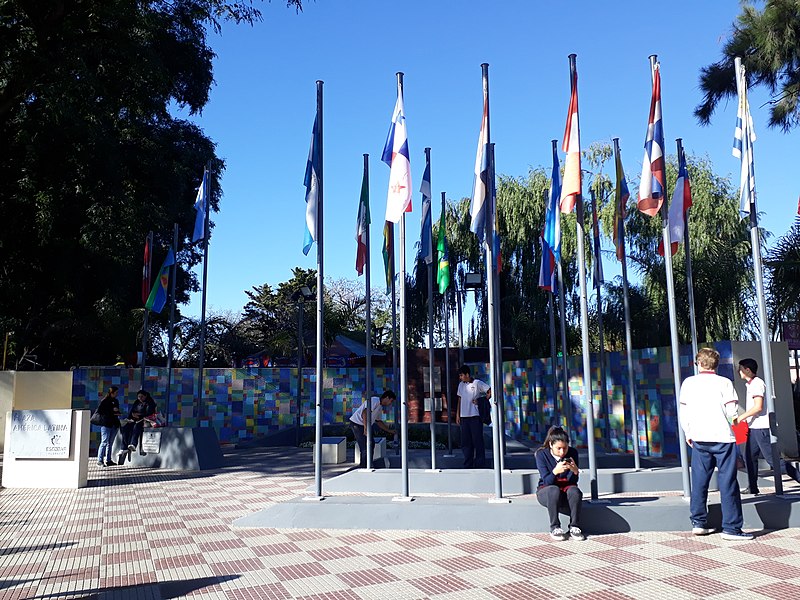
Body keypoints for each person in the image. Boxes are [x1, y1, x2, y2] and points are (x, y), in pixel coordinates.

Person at [679, 347, 753, 540]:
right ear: (716, 364)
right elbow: (732, 413)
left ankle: (698, 522)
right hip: (722, 437)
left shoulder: (688, 383)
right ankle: (731, 528)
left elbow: (684, 412)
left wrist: (689, 432)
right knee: (728, 482)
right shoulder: (724, 383)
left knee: (699, 481)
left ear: (698, 363)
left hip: (699, 437)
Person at [734, 358, 800, 494]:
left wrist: (742, 417)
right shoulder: (751, 385)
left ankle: (798, 477)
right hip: (753, 427)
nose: (738, 372)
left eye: (740, 369)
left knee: (773, 460)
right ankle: (752, 486)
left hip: (761, 428)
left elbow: (758, 407)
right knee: (749, 457)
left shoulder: (757, 384)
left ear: (747, 370)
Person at [534, 426, 585, 541]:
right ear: (551, 445)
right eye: (559, 448)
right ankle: (555, 527)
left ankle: (575, 526)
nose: (562, 452)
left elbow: (573, 482)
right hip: (547, 491)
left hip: (566, 490)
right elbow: (547, 481)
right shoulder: (541, 455)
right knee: (553, 489)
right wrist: (555, 472)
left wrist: (575, 471)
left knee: (575, 491)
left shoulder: (572, 453)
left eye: (565, 448)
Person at [349, 390, 396, 469]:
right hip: (357, 423)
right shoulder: (375, 400)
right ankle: (363, 467)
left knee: (371, 443)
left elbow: (378, 421)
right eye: (391, 401)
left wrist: (389, 431)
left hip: (364, 424)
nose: (390, 403)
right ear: (387, 397)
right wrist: (366, 428)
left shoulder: (379, 407)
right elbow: (364, 413)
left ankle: (368, 464)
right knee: (364, 446)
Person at [455, 365, 491, 468]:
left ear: (467, 374)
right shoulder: (461, 385)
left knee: (477, 440)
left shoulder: (477, 383)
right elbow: (459, 399)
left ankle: (480, 463)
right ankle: (468, 463)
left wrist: (482, 400)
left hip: (475, 416)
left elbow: (489, 390)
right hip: (464, 417)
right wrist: (458, 414)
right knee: (466, 442)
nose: (460, 377)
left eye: (462, 375)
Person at [119, 389, 157, 459]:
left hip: (144, 420)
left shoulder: (150, 402)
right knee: (125, 427)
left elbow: (149, 413)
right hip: (135, 419)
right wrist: (131, 417)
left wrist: (139, 415)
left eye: (141, 397)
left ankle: (133, 444)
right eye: (138, 397)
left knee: (137, 426)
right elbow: (132, 411)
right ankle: (123, 448)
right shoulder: (137, 402)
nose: (140, 398)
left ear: (145, 396)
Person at [95, 386, 122, 467]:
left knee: (110, 443)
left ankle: (108, 460)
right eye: (116, 392)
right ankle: (100, 460)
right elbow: (100, 411)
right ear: (112, 393)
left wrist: (117, 412)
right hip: (106, 424)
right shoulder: (105, 401)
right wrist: (111, 410)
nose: (117, 394)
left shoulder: (116, 401)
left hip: (114, 423)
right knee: (104, 442)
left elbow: (117, 410)